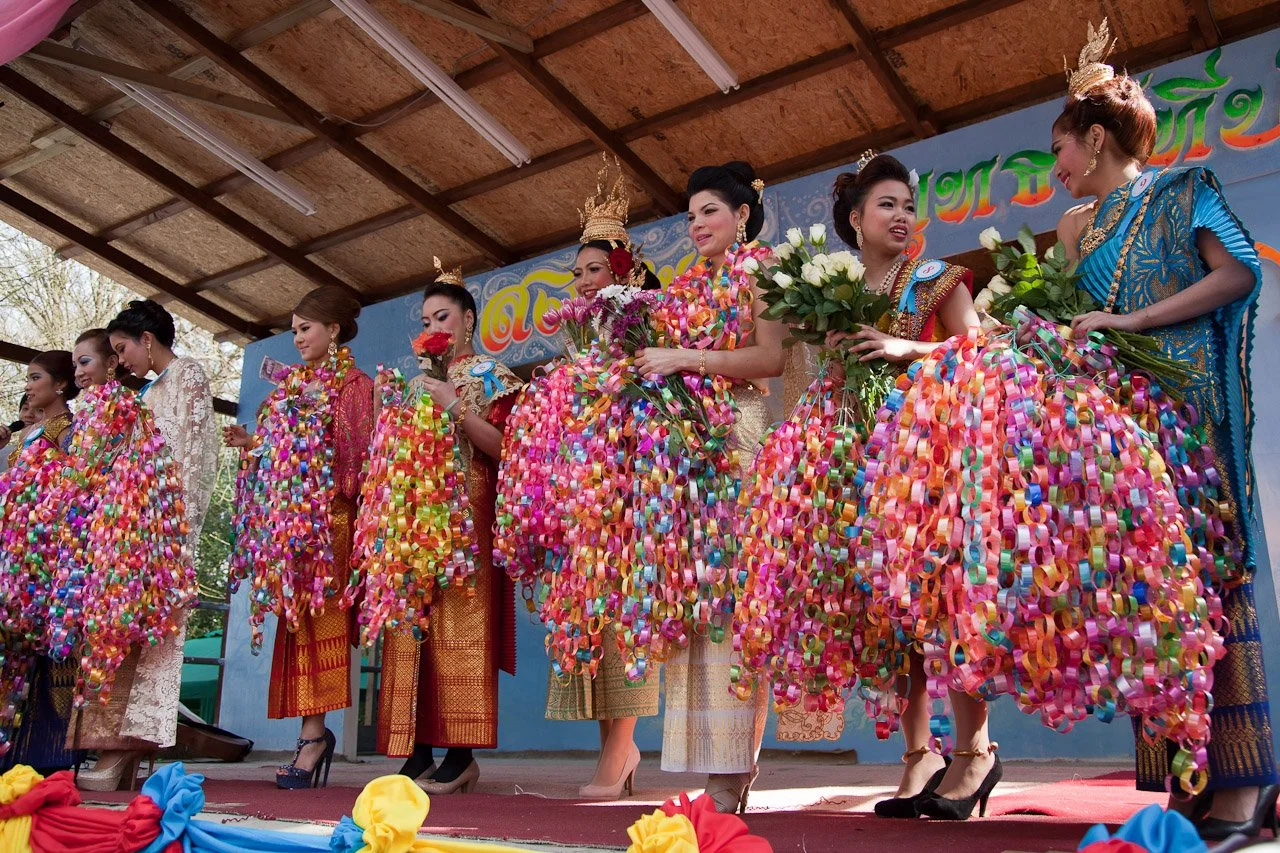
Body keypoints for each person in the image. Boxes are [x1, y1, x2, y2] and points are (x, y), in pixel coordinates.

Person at [1048, 20, 1276, 839]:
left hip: (1192, 420)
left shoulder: (1183, 192)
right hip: (1125, 432)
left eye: (1061, 151)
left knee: (1213, 584)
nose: (1058, 170)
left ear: (1097, 137)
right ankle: (1188, 778)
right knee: (1149, 592)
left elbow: (1239, 271)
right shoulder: (1078, 230)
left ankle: (1246, 788)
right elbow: (1075, 318)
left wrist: (1136, 318)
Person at [733, 153, 982, 819]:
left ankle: (975, 752)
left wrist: (909, 350)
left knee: (940, 605)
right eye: (887, 205)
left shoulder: (935, 280)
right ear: (854, 218)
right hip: (862, 467)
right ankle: (917, 754)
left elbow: (982, 350)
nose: (902, 216)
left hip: (929, 462)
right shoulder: (831, 292)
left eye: (907, 204)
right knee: (892, 616)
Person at [497, 158, 662, 798]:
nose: (583, 282)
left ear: (621, 270)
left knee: (620, 612)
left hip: (624, 483)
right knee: (586, 616)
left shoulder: (640, 317)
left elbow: (649, 396)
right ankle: (616, 755)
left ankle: (619, 753)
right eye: (577, 273)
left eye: (594, 270)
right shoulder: (579, 334)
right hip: (579, 490)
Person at [624, 161, 786, 813]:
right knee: (691, 604)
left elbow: (771, 359)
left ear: (742, 215)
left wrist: (684, 358)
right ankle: (704, 765)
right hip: (682, 453)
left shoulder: (765, 271)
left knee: (732, 606)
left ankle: (731, 772)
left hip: (738, 438)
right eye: (690, 215)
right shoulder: (686, 286)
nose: (696, 224)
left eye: (709, 211)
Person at [378, 261, 522, 795]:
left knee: (461, 627)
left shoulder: (492, 374)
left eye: (444, 316)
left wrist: (455, 407)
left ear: (468, 320)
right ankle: (416, 752)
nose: (434, 327)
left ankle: (460, 754)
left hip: (470, 513)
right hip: (414, 519)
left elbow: (510, 452)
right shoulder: (412, 384)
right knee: (413, 627)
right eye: (426, 319)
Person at [225, 286, 374, 790]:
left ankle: (313, 738)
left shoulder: (354, 386)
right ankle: (311, 734)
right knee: (296, 629)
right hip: (290, 531)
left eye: (305, 328)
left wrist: (321, 484)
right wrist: (255, 447)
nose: (297, 339)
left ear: (333, 330)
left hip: (329, 526)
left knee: (321, 627)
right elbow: (276, 459)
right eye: (292, 331)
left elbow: (357, 462)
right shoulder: (284, 391)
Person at [68, 308, 216, 791]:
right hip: (132, 532)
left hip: (166, 532)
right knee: (120, 636)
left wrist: (181, 533)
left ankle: (126, 750)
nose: (120, 360)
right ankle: (116, 752)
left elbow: (198, 455)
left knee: (151, 642)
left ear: (146, 339)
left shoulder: (187, 373)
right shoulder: (148, 391)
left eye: (123, 349)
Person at [0, 351, 81, 773]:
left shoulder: (73, 434)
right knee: (13, 660)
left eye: (35, 377)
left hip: (52, 564)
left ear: (61, 384)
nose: (28, 386)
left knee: (55, 655)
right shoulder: (24, 440)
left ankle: (52, 757)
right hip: (16, 567)